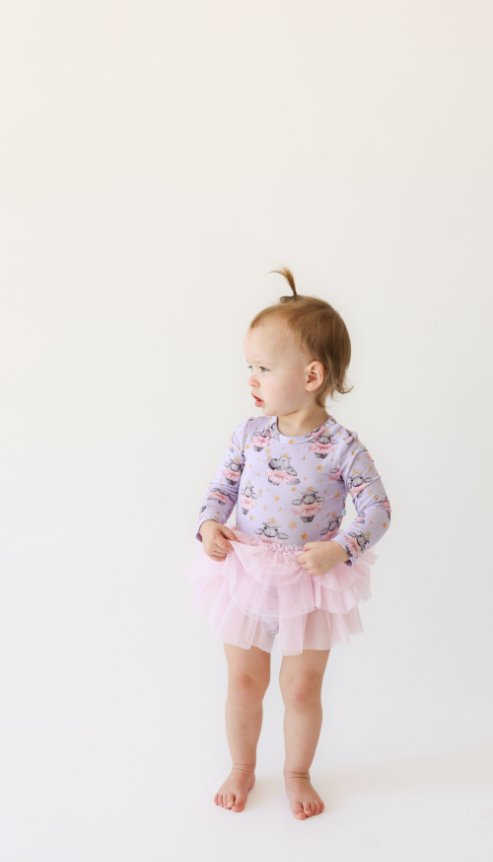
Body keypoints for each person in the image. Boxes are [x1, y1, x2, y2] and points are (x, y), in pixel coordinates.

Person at [184, 267, 392, 820]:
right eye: (249, 368)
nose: (251, 379)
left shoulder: (343, 448)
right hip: (246, 572)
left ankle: (297, 772)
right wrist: (210, 525)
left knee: (300, 689)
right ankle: (242, 766)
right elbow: (221, 489)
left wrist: (341, 548)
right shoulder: (250, 435)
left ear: (311, 374)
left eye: (263, 368)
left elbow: (378, 510)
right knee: (244, 681)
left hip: (310, 578)